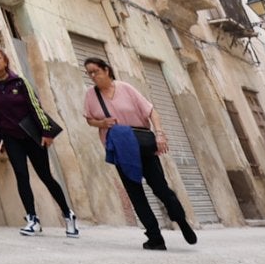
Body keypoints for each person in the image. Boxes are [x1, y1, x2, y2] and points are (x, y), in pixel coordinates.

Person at [82, 56, 196, 250]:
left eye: (96, 71)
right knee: (136, 194)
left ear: (106, 70)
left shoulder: (125, 88)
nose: (93, 76)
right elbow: (89, 119)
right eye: (89, 73)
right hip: (120, 148)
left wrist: (159, 134)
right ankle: (155, 237)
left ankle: (181, 220)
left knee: (160, 188)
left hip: (142, 143)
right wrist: (101, 123)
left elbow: (151, 112)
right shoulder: (91, 95)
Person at [0, 46, 79, 236]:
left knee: (45, 176)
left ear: (5, 61)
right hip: (11, 137)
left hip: (31, 135)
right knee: (21, 175)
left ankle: (68, 214)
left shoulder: (20, 82)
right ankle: (32, 219)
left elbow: (36, 107)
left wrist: (46, 131)